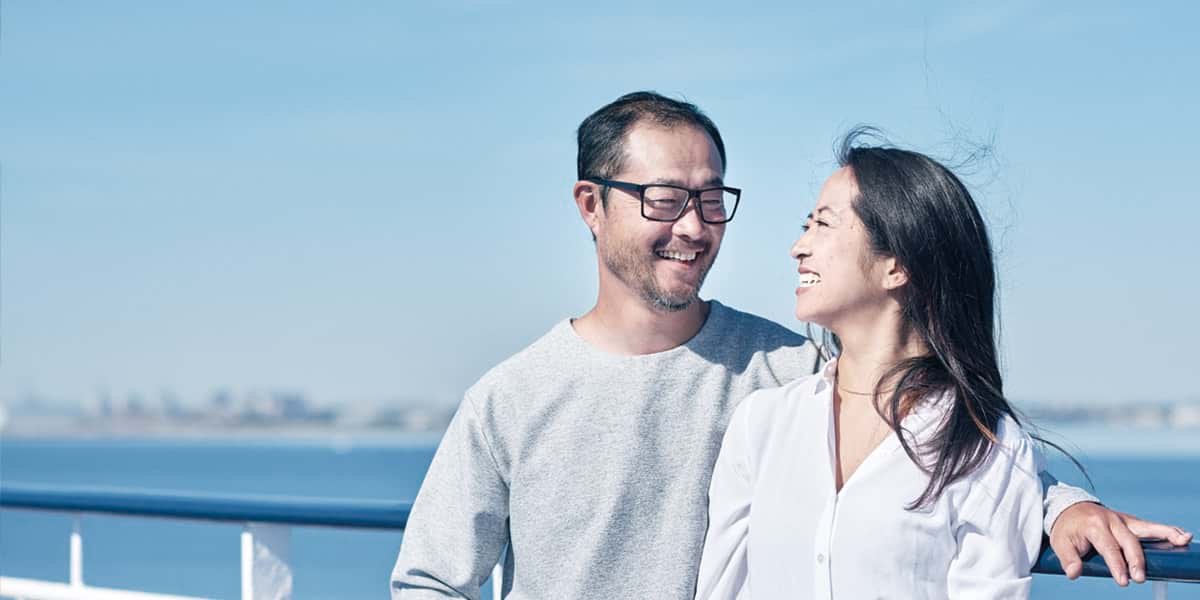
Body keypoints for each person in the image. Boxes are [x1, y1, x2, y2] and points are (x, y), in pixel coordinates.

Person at [390, 92, 1191, 599]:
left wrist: (1063, 505)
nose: (696, 227)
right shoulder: (512, 396)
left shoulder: (786, 371)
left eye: (712, 199)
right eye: (666, 199)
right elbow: (430, 579)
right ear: (589, 205)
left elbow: (943, 438)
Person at [696, 133, 1041, 598]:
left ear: (896, 265)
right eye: (806, 224)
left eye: (823, 224)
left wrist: (1064, 507)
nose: (798, 247)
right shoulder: (763, 424)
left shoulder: (985, 447)